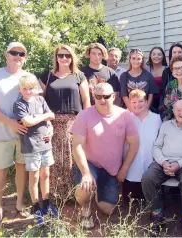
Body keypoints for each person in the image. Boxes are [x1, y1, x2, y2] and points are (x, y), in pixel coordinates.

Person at [0, 42, 41, 230]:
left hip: (25, 135)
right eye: (14, 52)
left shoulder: (29, 77)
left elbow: (38, 103)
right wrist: (10, 122)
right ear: (6, 54)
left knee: (21, 168)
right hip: (2, 133)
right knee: (0, 171)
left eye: (22, 53)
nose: (18, 56)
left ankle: (19, 203)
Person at [70, 83, 139, 229]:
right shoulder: (84, 115)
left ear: (114, 96)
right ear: (93, 97)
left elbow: (134, 143)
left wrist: (125, 168)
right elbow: (77, 145)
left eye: (106, 96)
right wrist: (86, 173)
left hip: (111, 169)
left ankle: (97, 192)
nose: (102, 100)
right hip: (90, 163)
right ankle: (85, 211)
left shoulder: (124, 115)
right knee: (85, 187)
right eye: (98, 97)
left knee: (108, 209)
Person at [141, 100, 182, 237]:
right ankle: (157, 215)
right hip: (164, 161)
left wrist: (179, 164)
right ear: (173, 111)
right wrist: (164, 162)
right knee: (147, 178)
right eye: (178, 110)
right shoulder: (166, 125)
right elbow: (156, 146)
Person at [39, 44, 91, 199]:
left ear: (72, 58)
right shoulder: (47, 76)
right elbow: (39, 100)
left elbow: (86, 100)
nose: (64, 58)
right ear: (56, 57)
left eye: (67, 56)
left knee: (73, 157)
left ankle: (72, 193)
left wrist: (86, 121)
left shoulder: (79, 75)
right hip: (51, 123)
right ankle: (54, 194)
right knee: (53, 159)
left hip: (74, 122)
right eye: (60, 55)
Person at [13, 75, 57, 225]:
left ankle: (46, 202)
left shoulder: (40, 100)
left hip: (45, 143)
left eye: (31, 88)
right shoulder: (19, 104)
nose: (28, 91)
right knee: (35, 175)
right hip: (31, 144)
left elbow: (52, 117)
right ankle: (36, 205)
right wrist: (45, 116)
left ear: (35, 88)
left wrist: (50, 128)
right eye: (25, 88)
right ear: (20, 89)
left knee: (46, 173)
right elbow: (28, 122)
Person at [122, 89, 162, 201]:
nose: (137, 105)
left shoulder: (157, 119)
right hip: (132, 160)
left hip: (151, 160)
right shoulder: (126, 118)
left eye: (140, 101)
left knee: (149, 195)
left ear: (146, 102)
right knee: (131, 199)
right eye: (133, 102)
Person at [160, 43, 182, 109]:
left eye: (179, 52)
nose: (177, 54)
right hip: (171, 111)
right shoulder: (166, 72)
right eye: (174, 52)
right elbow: (163, 94)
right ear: (170, 55)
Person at [146, 47, 167, 113]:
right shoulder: (146, 70)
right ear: (150, 56)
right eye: (154, 54)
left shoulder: (167, 69)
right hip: (150, 102)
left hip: (164, 102)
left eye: (159, 54)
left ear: (163, 56)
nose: (156, 56)